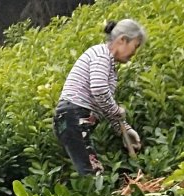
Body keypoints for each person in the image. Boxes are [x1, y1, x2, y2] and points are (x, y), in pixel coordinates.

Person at [54, 19, 146, 175]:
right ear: (122, 40)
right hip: (73, 117)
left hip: (74, 119)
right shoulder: (102, 55)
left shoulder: (108, 63)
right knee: (92, 172)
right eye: (135, 46)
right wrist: (117, 110)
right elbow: (99, 89)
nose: (134, 53)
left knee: (93, 170)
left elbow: (104, 102)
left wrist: (123, 128)